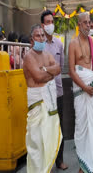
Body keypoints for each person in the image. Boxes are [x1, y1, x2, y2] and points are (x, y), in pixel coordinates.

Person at [23, 24, 62, 173]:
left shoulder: (47, 55)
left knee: (49, 141)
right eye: (37, 36)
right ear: (32, 40)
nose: (41, 38)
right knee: (37, 144)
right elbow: (37, 77)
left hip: (49, 104)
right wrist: (49, 73)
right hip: (37, 103)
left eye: (42, 35)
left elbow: (57, 68)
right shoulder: (28, 56)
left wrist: (44, 69)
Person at [68, 12, 93, 173]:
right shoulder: (73, 44)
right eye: (85, 23)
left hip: (92, 89)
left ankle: (92, 164)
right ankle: (83, 165)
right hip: (82, 92)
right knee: (82, 128)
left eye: (90, 23)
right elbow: (72, 72)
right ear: (79, 24)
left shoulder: (92, 42)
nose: (88, 26)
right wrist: (85, 87)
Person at [41, 10, 68, 170]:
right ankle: (48, 161)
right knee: (46, 127)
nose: (51, 24)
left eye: (52, 21)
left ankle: (60, 160)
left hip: (58, 92)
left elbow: (61, 66)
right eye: (48, 22)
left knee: (60, 126)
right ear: (43, 25)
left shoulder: (59, 43)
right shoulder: (39, 44)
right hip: (44, 93)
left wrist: (50, 70)